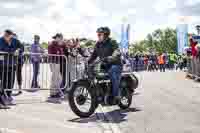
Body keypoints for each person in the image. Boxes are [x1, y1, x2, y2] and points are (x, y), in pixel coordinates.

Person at [88, 27, 122, 104]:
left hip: (115, 64)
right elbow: (94, 55)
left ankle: (115, 95)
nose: (98, 36)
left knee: (112, 71)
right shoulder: (98, 44)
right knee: (93, 72)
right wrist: (88, 61)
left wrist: (112, 57)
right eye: (98, 34)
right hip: (105, 65)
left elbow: (117, 51)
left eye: (100, 34)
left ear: (106, 35)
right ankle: (99, 93)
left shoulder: (112, 41)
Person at [0, 30, 23, 108]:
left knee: (11, 81)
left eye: (8, 36)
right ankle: (3, 96)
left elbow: (21, 47)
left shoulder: (15, 40)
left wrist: (18, 50)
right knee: (3, 81)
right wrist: (13, 50)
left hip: (12, 64)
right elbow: (3, 49)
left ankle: (9, 96)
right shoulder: (1, 40)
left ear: (11, 36)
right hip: (3, 64)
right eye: (5, 36)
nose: (6, 38)